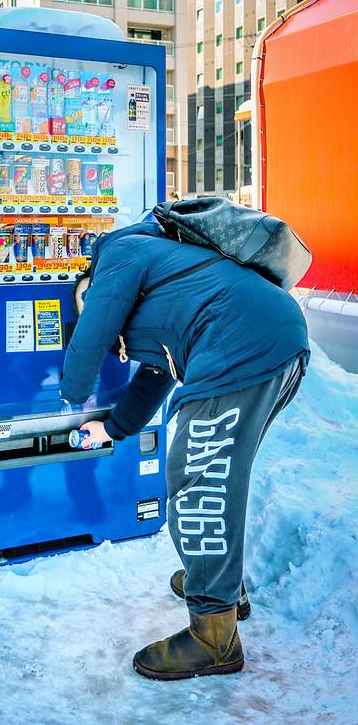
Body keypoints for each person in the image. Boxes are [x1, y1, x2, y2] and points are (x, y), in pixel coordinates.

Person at [60, 219, 309, 681]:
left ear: (90, 282)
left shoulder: (121, 255)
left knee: (198, 481)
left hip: (241, 346)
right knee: (220, 476)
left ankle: (214, 638)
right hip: (277, 343)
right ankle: (220, 585)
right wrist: (114, 427)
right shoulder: (165, 287)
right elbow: (156, 375)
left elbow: (89, 337)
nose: (91, 307)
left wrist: (69, 398)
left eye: (85, 298)